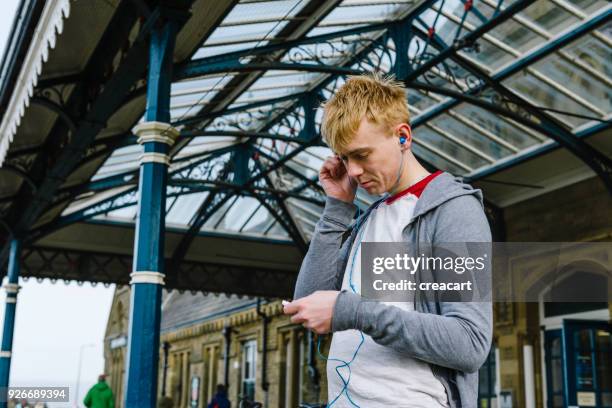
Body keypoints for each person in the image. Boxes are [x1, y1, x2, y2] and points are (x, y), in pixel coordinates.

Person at [283, 74, 492, 407]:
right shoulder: (371, 217)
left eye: (362, 154)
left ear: (402, 136)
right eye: (344, 158)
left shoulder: (453, 211)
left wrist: (353, 311)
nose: (352, 171)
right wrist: (337, 209)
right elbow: (308, 302)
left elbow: (469, 343)